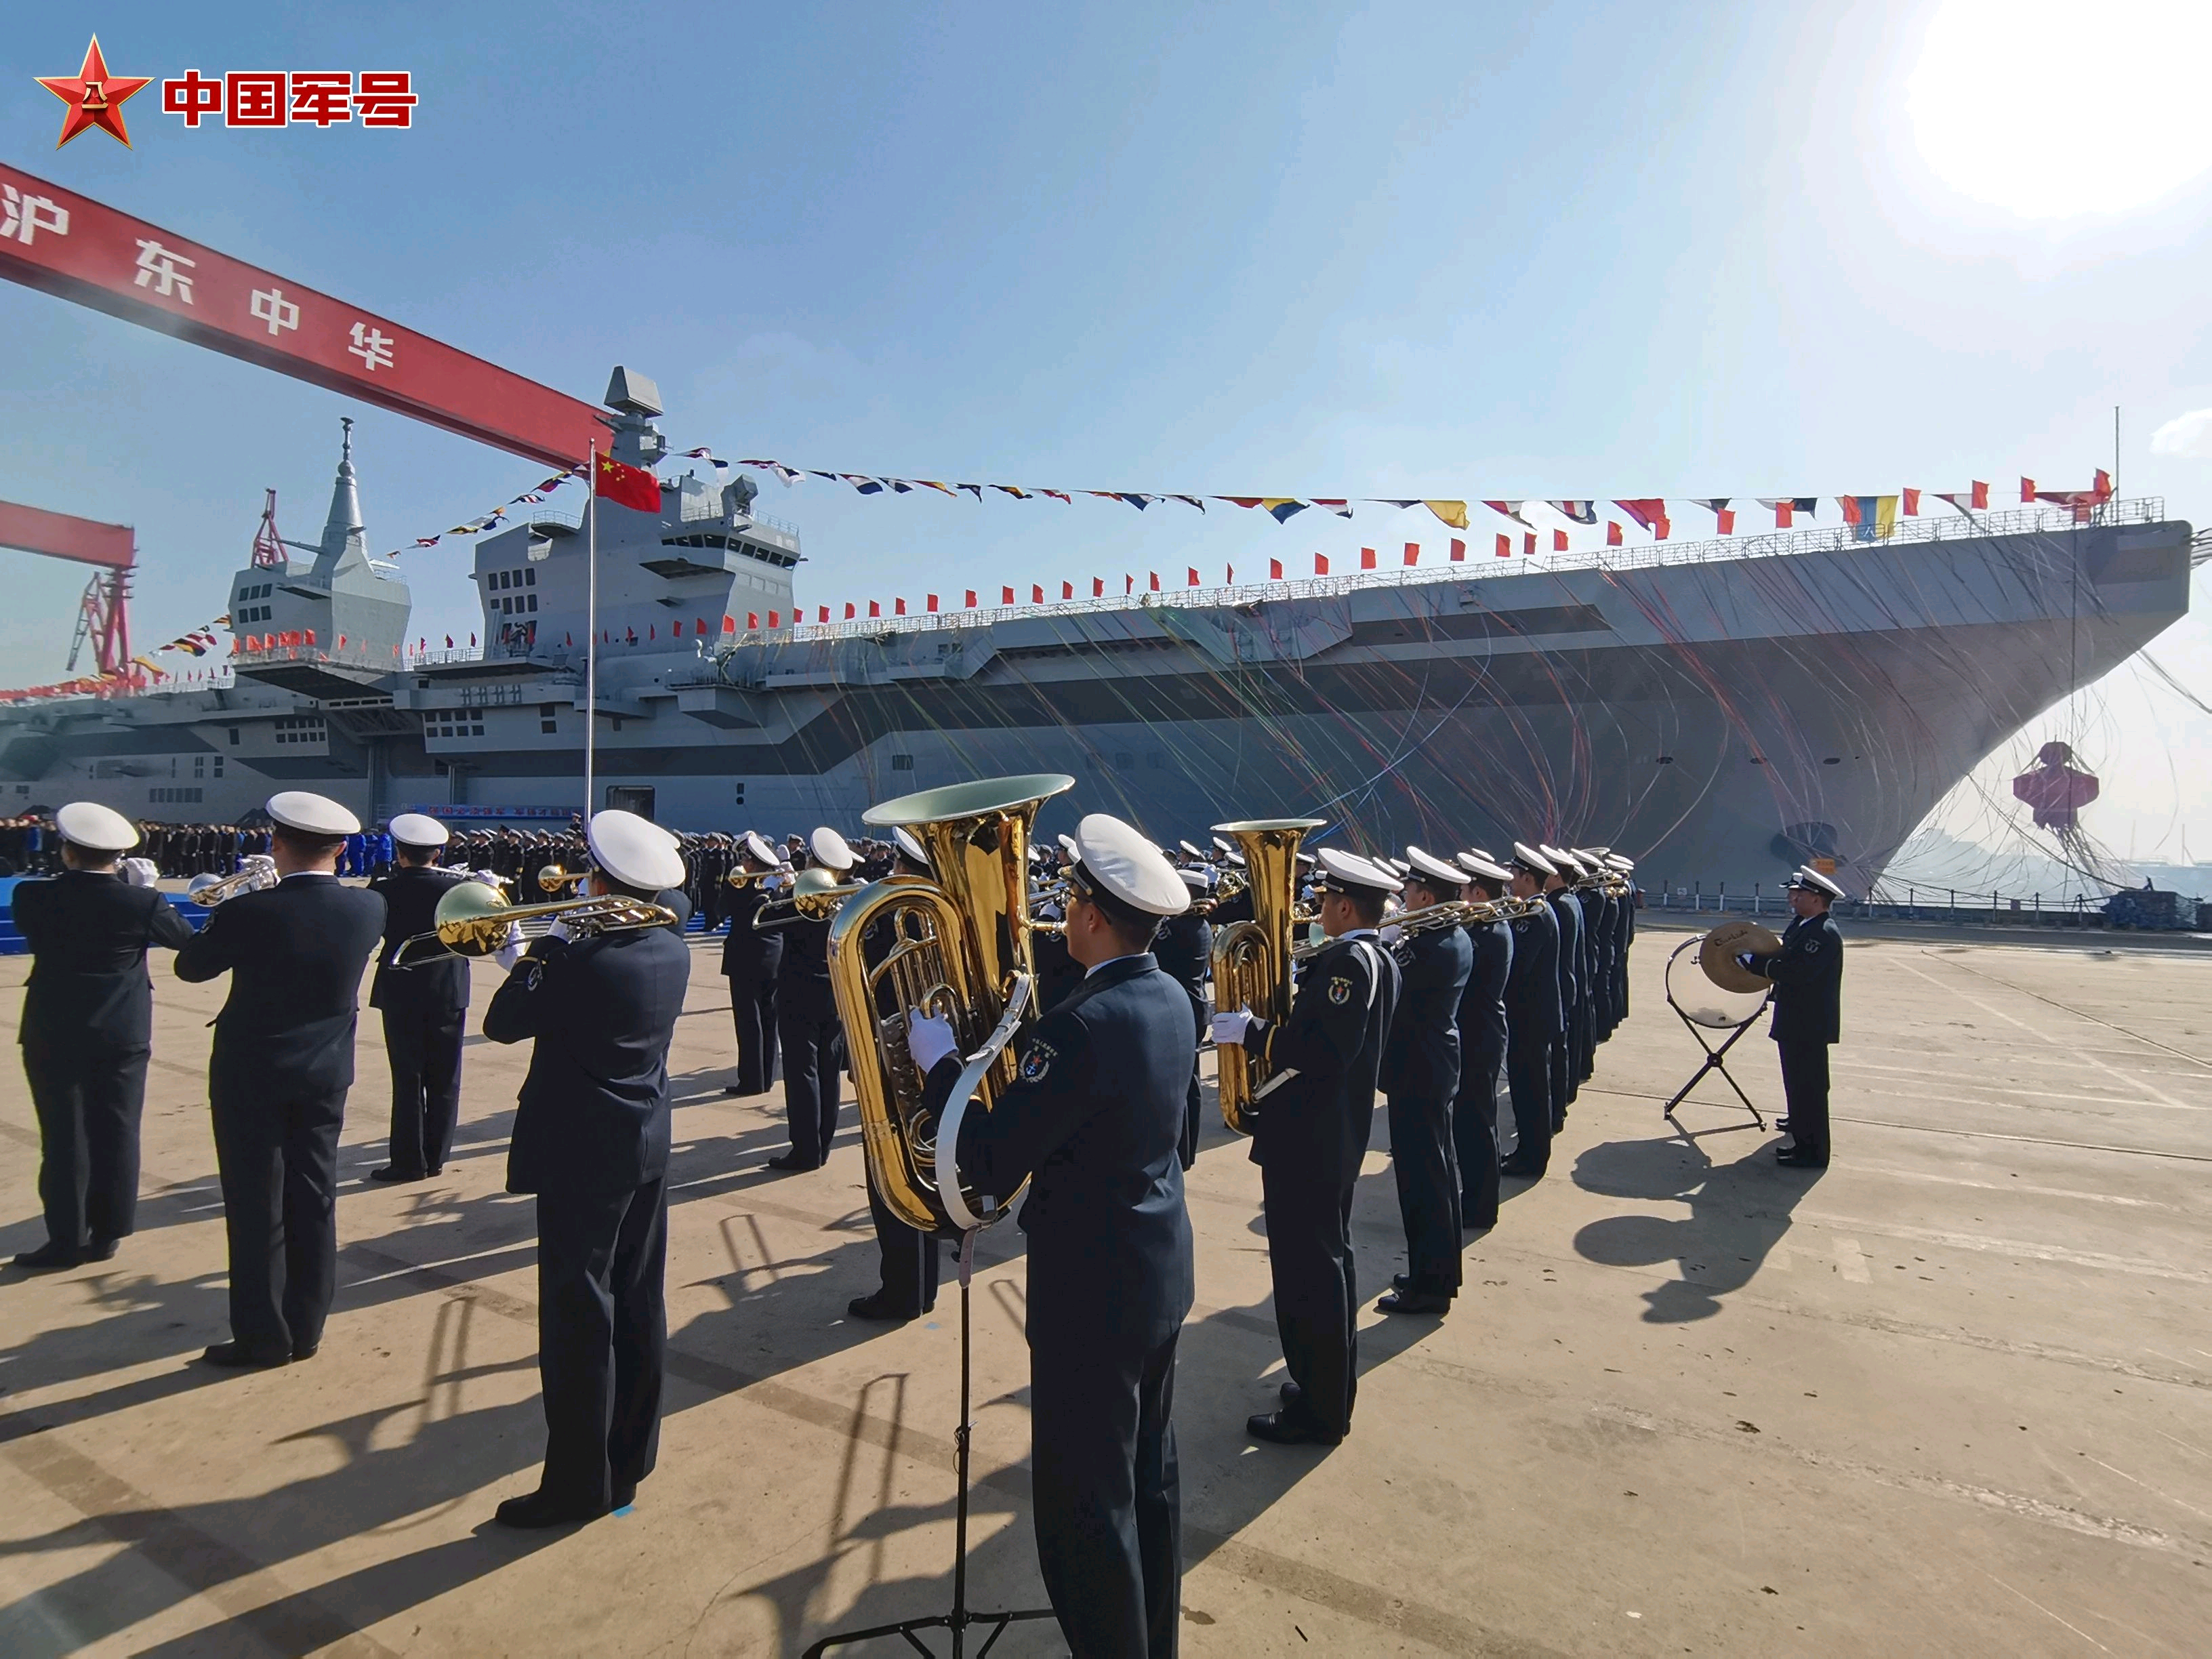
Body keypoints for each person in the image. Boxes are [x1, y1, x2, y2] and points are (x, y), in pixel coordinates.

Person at [906, 813, 1195, 1658]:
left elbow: (991, 1159)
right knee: (1150, 1482)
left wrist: (938, 1065)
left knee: (1086, 1505)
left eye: (1067, 903)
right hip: (1158, 1272)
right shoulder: (1170, 996)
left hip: (1092, 1292)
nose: (1058, 917)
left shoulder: (1079, 1028)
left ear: (1096, 915)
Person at [483, 809, 691, 1527]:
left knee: (577, 1318)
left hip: (582, 1151)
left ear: (602, 881)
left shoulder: (582, 961)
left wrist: (534, 955)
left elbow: (503, 1023)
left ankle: (577, 1485)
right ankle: (629, 1461)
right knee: (638, 1303)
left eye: (587, 875)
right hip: (645, 1140)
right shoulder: (671, 943)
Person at [175, 792, 386, 1368]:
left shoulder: (249, 912)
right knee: (314, 1197)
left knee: (254, 1205)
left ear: (276, 843)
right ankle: (308, 1325)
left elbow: (190, 968)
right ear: (342, 850)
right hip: (325, 1072)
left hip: (251, 1073)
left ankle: (263, 1336)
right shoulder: (369, 910)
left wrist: (232, 904)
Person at [1214, 848, 1401, 1447]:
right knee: (1328, 1265)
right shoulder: (1374, 956)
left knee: (1308, 1276)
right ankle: (1326, 1385)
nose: (1318, 910)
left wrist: (1257, 1031)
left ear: (1346, 906)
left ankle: (1320, 1412)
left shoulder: (1350, 963)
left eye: (1324, 901)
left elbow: (1324, 1054)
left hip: (1313, 1140)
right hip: (1331, 1137)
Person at [10, 802, 194, 1270]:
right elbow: (186, 943)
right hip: (121, 1031)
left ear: (67, 851)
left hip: (52, 1028)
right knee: (117, 1131)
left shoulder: (32, 897)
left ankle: (65, 1239)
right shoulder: (142, 902)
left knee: (63, 1138)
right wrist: (149, 894)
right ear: (120, 856)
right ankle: (109, 1231)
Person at [848, 826, 947, 1322]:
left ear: (907, 871)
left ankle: (902, 1291)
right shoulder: (942, 921)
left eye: (896, 867)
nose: (889, 876)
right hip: (933, 1060)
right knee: (924, 1174)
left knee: (891, 1180)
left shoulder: (890, 925)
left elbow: (862, 992)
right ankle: (922, 1285)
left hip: (894, 1066)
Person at [1376, 848, 1474, 1315]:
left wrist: (1385, 946)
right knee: (1435, 1175)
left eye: (1410, 893)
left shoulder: (1427, 946)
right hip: (1431, 1065)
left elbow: (1387, 989)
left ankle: (1429, 1286)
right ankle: (1435, 1272)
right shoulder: (1450, 936)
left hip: (1418, 1070)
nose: (1404, 899)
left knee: (1423, 1184)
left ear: (1427, 896)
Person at [365, 813, 472, 1183]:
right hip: (448, 989)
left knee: (407, 1077)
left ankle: (408, 1161)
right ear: (438, 853)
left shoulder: (383, 889)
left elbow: (368, 938)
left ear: (400, 852)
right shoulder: (458, 890)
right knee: (445, 1076)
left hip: (401, 989)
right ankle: (437, 1156)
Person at [769, 827, 855, 1171]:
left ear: (811, 862)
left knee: (802, 1071)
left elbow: (766, 922)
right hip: (833, 994)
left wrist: (783, 889)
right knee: (828, 1070)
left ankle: (805, 1150)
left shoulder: (800, 900)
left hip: (797, 995)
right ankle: (823, 1144)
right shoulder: (843, 902)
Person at [1750, 866, 1845, 1169]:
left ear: (1817, 899)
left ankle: (1813, 1153)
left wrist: (1755, 966)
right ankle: (1802, 1140)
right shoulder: (1803, 925)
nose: (1792, 899)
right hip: (1796, 1020)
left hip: (1809, 1024)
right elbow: (1783, 956)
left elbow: (1796, 972)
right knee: (1797, 1084)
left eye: (1799, 894)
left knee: (1811, 1089)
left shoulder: (1822, 933)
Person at [1449, 853, 1515, 1230]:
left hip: (1478, 1035)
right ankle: (1477, 1198)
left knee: (1475, 1124)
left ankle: (1479, 1205)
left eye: (1462, 890)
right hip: (1481, 1032)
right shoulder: (1489, 925)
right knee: (1475, 1122)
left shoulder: (1485, 931)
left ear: (1477, 890)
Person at [1498, 844, 1562, 1181]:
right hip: (1530, 1015)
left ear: (1527, 877)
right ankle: (1527, 1150)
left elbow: (1518, 967)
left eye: (1514, 875)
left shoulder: (1535, 915)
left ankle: (1532, 1157)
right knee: (1527, 1089)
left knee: (1531, 1090)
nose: (1510, 880)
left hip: (1531, 1017)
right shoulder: (1533, 910)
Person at [1151, 863, 1216, 1170]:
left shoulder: (1181, 928)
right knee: (1190, 1082)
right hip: (1195, 1006)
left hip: (1183, 1008)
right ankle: (1186, 1150)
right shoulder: (1197, 924)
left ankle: (1183, 1151)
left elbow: (1152, 948)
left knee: (1183, 1085)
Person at [720, 831, 783, 1097]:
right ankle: (766, 1077)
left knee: (749, 1022)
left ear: (754, 864)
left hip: (746, 960)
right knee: (769, 1020)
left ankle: (751, 1080)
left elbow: (721, 909)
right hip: (773, 961)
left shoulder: (745, 890)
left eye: (746, 858)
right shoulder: (778, 889)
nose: (743, 863)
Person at [1539, 845, 1585, 1134]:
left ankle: (1554, 1112)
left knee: (1553, 1057)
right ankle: (1559, 1107)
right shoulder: (1568, 901)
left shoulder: (1556, 906)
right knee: (1559, 1053)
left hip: (1554, 988)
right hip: (1565, 984)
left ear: (1555, 875)